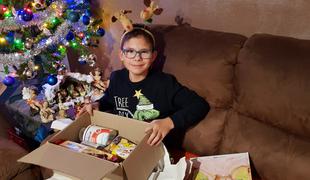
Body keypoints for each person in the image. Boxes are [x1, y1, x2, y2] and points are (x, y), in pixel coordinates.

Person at [76, 25, 209, 147]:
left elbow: (199, 105)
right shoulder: (117, 78)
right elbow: (110, 100)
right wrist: (98, 105)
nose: (137, 58)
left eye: (144, 52)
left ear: (153, 56)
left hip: (150, 146)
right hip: (118, 141)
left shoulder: (165, 83)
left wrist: (169, 122)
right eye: (130, 51)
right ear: (121, 55)